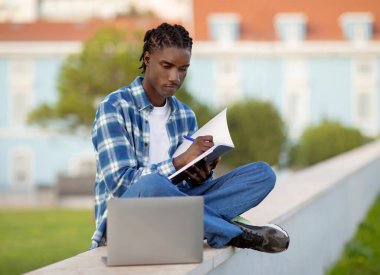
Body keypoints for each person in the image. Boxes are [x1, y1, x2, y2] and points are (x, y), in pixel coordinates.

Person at [90, 22, 289, 253]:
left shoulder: (185, 114)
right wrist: (180, 161)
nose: (175, 77)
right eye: (167, 66)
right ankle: (234, 233)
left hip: (172, 215)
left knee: (262, 174)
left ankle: (203, 227)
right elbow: (120, 184)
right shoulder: (114, 107)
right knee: (153, 184)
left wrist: (200, 175)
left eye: (183, 69)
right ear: (147, 59)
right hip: (125, 223)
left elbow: (183, 190)